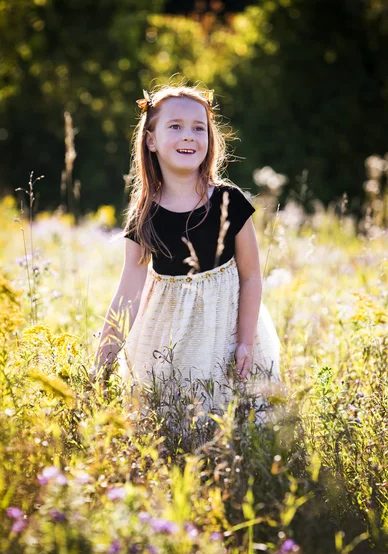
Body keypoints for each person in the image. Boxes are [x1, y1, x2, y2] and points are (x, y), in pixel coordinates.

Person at [92, 84, 281, 413]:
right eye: (175, 126)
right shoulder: (145, 214)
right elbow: (128, 294)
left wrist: (245, 341)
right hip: (169, 337)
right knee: (176, 417)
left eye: (199, 128)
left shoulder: (228, 201)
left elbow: (251, 277)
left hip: (227, 329)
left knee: (237, 416)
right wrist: (101, 364)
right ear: (151, 140)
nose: (189, 136)